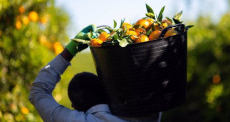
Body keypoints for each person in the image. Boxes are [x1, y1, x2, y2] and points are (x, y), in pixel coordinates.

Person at [29, 25, 162, 122]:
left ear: (74, 107)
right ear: (106, 92)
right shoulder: (143, 116)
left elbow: (38, 93)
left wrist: (70, 50)